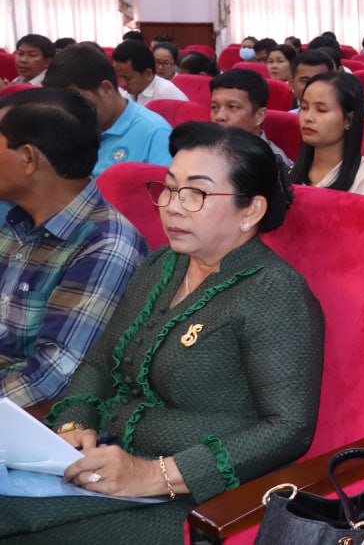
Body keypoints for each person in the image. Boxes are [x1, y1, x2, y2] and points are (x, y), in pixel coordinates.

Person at [0, 123, 324, 544]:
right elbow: (99, 362)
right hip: (110, 462)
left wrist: (154, 475)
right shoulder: (162, 267)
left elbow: (289, 428)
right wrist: (73, 427)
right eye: (169, 189)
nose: (172, 207)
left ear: (250, 210)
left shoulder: (274, 291)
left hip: (201, 495)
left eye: (196, 194)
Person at [0, 89, 147, 408]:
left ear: (28, 159)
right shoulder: (17, 222)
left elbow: (52, 378)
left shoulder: (106, 245)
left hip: (28, 419)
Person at [44, 45, 172, 177]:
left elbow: (164, 187)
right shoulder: (70, 125)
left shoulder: (155, 133)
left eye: (77, 100)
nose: (71, 109)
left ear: (106, 88)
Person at [291, 72, 364, 201]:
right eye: (304, 108)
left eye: (321, 110)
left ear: (348, 120)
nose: (308, 117)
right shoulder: (290, 173)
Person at [209, 69, 293, 167]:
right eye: (214, 107)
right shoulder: (205, 148)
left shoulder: (272, 162)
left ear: (259, 116)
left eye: (232, 107)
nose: (219, 116)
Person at [112, 40, 189, 107]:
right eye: (120, 77)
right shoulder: (127, 94)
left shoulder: (168, 93)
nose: (123, 83)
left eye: (128, 78)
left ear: (148, 74)